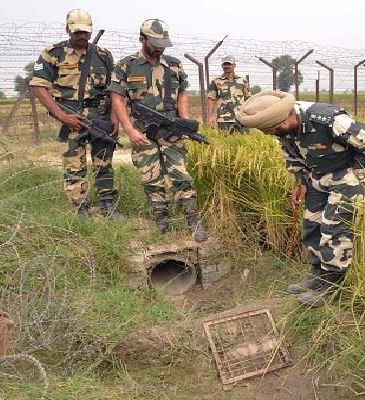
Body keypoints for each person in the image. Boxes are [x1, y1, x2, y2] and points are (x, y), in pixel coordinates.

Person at [235, 91, 365, 307]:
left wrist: (355, 174)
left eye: (272, 130)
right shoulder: (282, 130)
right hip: (316, 176)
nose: (272, 135)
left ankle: (334, 284)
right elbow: (292, 154)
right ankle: (319, 274)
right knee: (312, 224)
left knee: (334, 228)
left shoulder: (328, 121)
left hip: (347, 173)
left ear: (285, 119)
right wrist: (301, 182)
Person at [108, 19, 207, 242]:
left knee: (181, 175)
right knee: (151, 178)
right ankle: (161, 219)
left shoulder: (174, 64)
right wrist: (130, 130)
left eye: (163, 43)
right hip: (142, 132)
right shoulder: (126, 65)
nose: (160, 47)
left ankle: (193, 219)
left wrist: (184, 123)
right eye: (154, 43)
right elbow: (117, 99)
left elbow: (182, 94)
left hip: (171, 131)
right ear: (142, 38)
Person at [29, 9, 120, 218]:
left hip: (100, 117)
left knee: (104, 163)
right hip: (71, 116)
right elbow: (38, 87)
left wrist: (115, 119)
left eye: (86, 31)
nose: (82, 36)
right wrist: (62, 116)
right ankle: (81, 209)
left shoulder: (103, 55)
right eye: (77, 31)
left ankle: (107, 205)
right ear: (68, 29)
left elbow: (114, 89)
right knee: (74, 164)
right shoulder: (53, 53)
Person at [206, 55, 251, 134]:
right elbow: (211, 99)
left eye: (229, 64)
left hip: (241, 118)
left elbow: (248, 98)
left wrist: (249, 114)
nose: (227, 66)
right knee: (225, 143)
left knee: (245, 142)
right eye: (225, 64)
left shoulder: (242, 80)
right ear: (222, 66)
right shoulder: (216, 81)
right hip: (224, 119)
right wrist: (210, 116)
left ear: (234, 65)